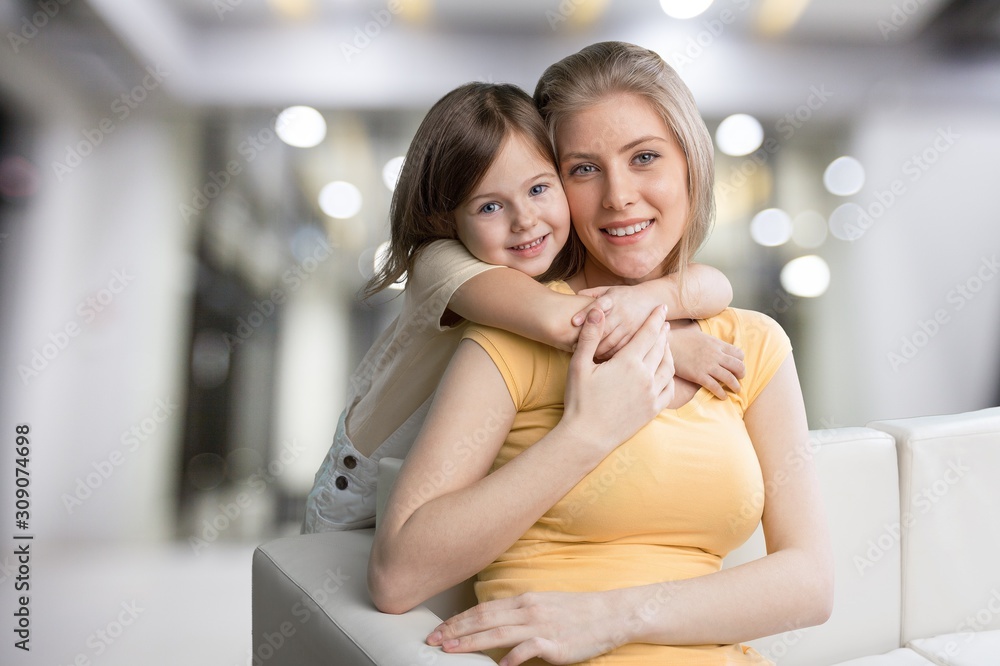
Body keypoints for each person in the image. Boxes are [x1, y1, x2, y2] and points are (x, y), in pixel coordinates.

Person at [368, 42, 834, 665]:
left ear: (691, 165)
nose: (618, 195)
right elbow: (399, 576)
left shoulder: (752, 344)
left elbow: (810, 582)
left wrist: (613, 616)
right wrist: (588, 433)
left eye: (644, 157)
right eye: (583, 169)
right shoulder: (515, 330)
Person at [301, 81, 743, 533]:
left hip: (453, 493)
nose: (525, 220)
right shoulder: (442, 262)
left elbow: (716, 286)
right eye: (490, 206)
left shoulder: (544, 269)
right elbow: (565, 321)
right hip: (360, 499)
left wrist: (647, 297)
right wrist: (674, 346)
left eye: (538, 189)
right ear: (445, 219)